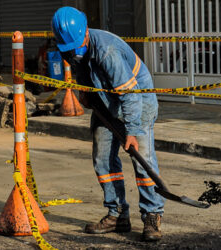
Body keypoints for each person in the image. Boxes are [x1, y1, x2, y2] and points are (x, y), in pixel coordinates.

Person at [51, 7, 165, 241]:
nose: (73, 51)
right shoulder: (68, 47)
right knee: (102, 159)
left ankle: (152, 214)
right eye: (68, 47)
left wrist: (132, 131)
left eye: (76, 44)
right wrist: (86, 91)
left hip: (137, 103)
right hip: (106, 105)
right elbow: (81, 70)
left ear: (85, 32)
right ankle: (118, 214)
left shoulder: (106, 51)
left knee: (143, 163)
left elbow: (130, 95)